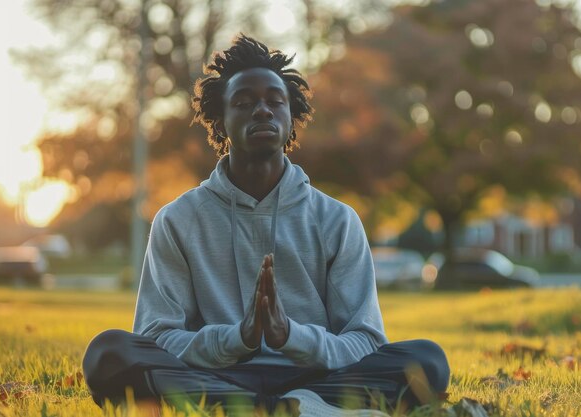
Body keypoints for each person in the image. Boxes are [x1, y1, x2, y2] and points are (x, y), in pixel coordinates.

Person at [82, 34, 450, 417]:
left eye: (275, 102)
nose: (262, 110)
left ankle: (274, 407)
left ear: (292, 119)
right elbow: (156, 337)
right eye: (243, 102)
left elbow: (365, 340)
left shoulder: (336, 219)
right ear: (221, 122)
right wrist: (237, 338)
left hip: (316, 379)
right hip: (216, 377)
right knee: (108, 354)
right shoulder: (177, 220)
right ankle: (282, 410)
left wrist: (291, 336)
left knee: (428, 361)